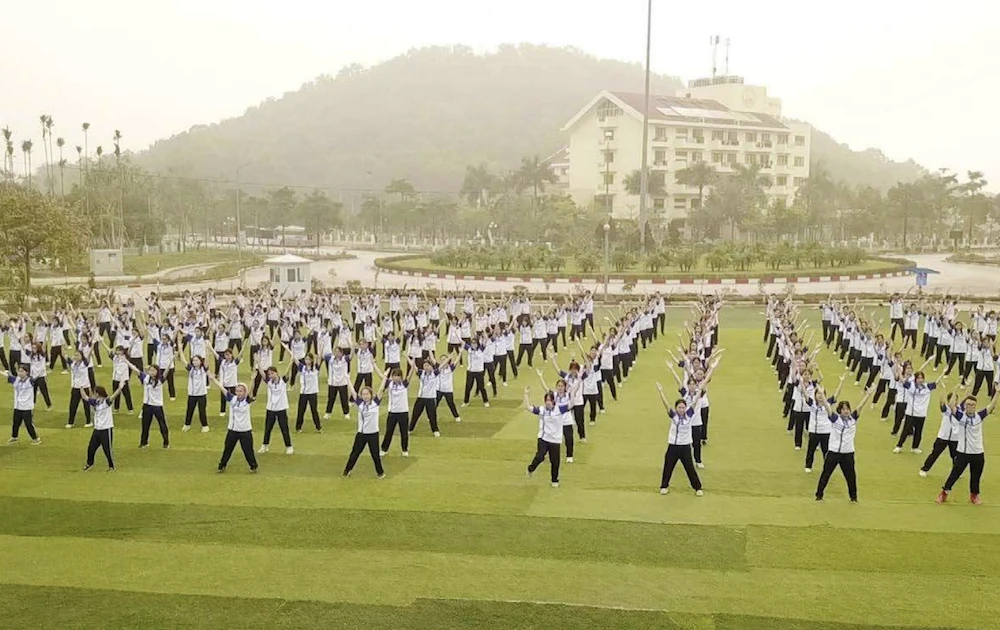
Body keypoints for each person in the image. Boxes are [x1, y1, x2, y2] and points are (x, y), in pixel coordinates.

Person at [937, 392, 998, 505]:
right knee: (955, 474)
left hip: (978, 452)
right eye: (968, 404)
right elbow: (951, 406)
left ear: (975, 406)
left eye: (973, 405)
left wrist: (997, 392)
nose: (970, 407)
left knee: (976, 476)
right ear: (965, 406)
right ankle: (944, 492)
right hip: (963, 453)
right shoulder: (961, 416)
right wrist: (955, 393)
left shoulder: (980, 416)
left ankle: (974, 495)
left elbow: (991, 405)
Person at [815, 389, 873, 502]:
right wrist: (822, 394)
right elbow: (827, 407)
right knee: (826, 474)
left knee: (851, 476)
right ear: (840, 410)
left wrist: (868, 394)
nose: (846, 411)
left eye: (847, 409)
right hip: (834, 452)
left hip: (848, 453)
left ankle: (853, 497)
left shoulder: (853, 419)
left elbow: (861, 406)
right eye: (843, 409)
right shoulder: (835, 419)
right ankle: (819, 495)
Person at [654, 382, 703, 496]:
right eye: (679, 407)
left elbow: (695, 401)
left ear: (686, 408)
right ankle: (664, 486)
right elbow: (666, 405)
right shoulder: (673, 416)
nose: (681, 409)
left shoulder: (689, 415)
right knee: (668, 466)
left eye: (683, 407)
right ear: (676, 408)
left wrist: (699, 389)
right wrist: (661, 392)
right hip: (673, 446)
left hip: (685, 446)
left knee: (690, 468)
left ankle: (698, 488)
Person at [208, 371, 258, 474]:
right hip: (232, 430)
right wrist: (213, 380)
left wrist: (253, 379)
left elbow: (251, 390)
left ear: (244, 392)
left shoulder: (247, 400)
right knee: (227, 449)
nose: (238, 393)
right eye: (237, 391)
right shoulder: (232, 398)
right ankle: (222, 466)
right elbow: (223, 389)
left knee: (248, 450)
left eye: (241, 391)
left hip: (245, 430)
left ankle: (253, 466)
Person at [523, 387, 568, 488]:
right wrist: (526, 395)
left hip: (555, 440)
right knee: (540, 456)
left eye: (550, 400)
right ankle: (531, 469)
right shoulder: (542, 410)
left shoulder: (559, 409)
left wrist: (574, 391)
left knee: (555, 461)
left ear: (553, 401)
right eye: (546, 400)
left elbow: (571, 405)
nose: (548, 402)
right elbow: (528, 407)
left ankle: (554, 480)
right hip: (543, 438)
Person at [342, 378, 386, 478]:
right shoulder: (360, 404)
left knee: (375, 455)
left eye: (367, 394)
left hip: (373, 434)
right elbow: (353, 392)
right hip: (361, 434)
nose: (365, 396)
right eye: (363, 394)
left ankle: (380, 473)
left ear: (371, 395)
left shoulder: (375, 403)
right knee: (355, 453)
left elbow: (381, 389)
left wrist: (384, 377)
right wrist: (348, 379)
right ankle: (347, 470)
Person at [81, 383, 127, 471]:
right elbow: (85, 397)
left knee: (107, 449)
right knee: (91, 448)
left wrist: (120, 388)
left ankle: (111, 466)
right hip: (97, 429)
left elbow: (114, 396)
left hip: (106, 429)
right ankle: (89, 463)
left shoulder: (106, 401)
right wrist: (80, 387)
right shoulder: (95, 402)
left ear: (98, 393)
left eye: (95, 393)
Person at [127, 362, 171, 449]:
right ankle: (144, 442)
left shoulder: (160, 380)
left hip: (157, 405)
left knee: (162, 425)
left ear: (157, 371)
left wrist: (171, 361)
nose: (151, 372)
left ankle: (166, 442)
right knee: (145, 425)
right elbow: (135, 370)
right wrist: (126, 361)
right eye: (150, 370)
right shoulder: (146, 378)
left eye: (153, 370)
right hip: (147, 405)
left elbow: (166, 371)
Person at [256, 359, 295, 455]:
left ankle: (289, 446)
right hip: (271, 409)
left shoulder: (283, 381)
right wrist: (258, 362)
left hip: (281, 409)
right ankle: (265, 445)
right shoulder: (269, 382)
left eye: (272, 373)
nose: (270, 376)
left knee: (284, 428)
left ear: (276, 373)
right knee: (268, 428)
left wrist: (291, 360)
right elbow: (262, 373)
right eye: (269, 374)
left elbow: (288, 369)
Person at [919, 390, 960, 477]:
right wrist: (943, 390)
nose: (955, 401)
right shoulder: (946, 410)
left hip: (955, 438)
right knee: (935, 454)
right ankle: (924, 469)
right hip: (943, 437)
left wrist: (968, 386)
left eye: (956, 399)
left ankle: (956, 472)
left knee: (956, 457)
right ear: (949, 401)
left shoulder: (960, 410)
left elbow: (967, 397)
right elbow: (941, 402)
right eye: (953, 399)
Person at [2, 365, 42, 445]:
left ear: (26, 372)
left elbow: (37, 380)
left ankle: (36, 438)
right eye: (19, 371)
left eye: (22, 371)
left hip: (27, 406)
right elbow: (7, 376)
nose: (20, 373)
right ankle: (14, 437)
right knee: (16, 422)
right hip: (17, 406)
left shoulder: (30, 381)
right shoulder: (16, 380)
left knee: (28, 423)